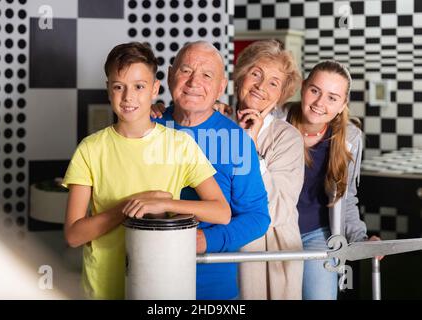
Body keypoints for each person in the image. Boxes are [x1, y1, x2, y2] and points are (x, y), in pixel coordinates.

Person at [61, 42, 231, 300]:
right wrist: (127, 208)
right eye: (119, 87)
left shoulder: (180, 145)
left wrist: (165, 203)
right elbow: (74, 235)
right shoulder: (90, 149)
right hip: (103, 290)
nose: (129, 97)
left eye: (139, 87)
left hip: (161, 290)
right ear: (109, 90)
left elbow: (221, 212)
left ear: (154, 89)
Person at [152, 41, 270, 299]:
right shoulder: (146, 129)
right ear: (171, 74)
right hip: (145, 280)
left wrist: (205, 240)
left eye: (207, 75)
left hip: (211, 287)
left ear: (221, 87)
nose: (194, 82)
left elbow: (257, 217)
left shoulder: (236, 141)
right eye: (185, 71)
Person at [284, 60, 381, 300]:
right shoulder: (276, 120)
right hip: (273, 231)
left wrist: (360, 237)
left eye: (332, 97)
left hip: (317, 233)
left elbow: (346, 199)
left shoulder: (349, 137)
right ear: (303, 87)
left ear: (342, 105)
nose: (319, 103)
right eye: (315, 91)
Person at [232, 40, 305, 300]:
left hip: (270, 256)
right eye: (256, 74)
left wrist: (248, 148)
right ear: (240, 76)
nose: (261, 87)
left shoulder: (288, 139)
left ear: (280, 95)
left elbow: (277, 209)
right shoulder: (215, 124)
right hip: (220, 250)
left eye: (273, 82)